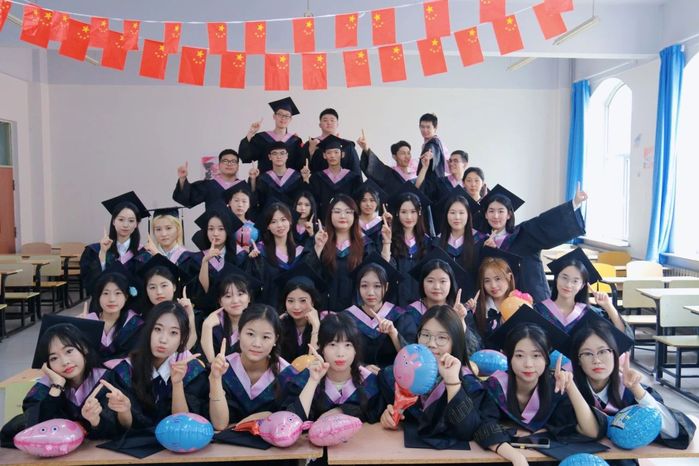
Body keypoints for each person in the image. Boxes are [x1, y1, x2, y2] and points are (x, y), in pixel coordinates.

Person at [475, 307, 607, 466]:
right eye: (519, 355)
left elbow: (591, 431)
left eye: (536, 355)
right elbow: (484, 426)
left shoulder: (555, 387)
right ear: (509, 358)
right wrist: (516, 457)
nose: (528, 364)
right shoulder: (495, 385)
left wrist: (570, 386)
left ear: (546, 359)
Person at [568, 312, 695, 455]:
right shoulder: (568, 390)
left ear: (615, 354)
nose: (596, 360)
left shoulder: (629, 391)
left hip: (622, 459)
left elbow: (673, 431)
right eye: (587, 353)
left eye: (603, 351)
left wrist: (637, 390)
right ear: (578, 360)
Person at [379, 306, 484, 447]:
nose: (431, 344)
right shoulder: (401, 377)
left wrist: (452, 383)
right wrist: (388, 417)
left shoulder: (468, 381)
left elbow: (467, 431)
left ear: (456, 342)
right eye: (425, 335)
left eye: (442, 337)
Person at [479, 183, 588, 302]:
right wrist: (487, 251)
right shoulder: (481, 241)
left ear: (509, 214)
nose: (496, 216)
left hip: (531, 296)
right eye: (491, 211)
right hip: (499, 300)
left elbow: (545, 223)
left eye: (501, 211)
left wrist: (575, 203)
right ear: (486, 215)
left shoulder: (523, 233)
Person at [18, 316, 122, 439]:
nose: (65, 362)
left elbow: (121, 429)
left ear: (84, 348)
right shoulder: (47, 386)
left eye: (69, 351)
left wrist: (96, 422)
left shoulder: (106, 380)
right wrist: (57, 386)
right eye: (54, 358)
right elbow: (34, 428)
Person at [110, 302, 208, 429]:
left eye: (173, 333)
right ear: (148, 331)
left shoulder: (191, 370)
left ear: (182, 339)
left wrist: (177, 384)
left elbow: (182, 425)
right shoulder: (126, 370)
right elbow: (125, 429)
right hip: (137, 439)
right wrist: (125, 411)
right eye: (157, 329)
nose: (163, 340)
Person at [281, 313, 384, 423]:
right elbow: (292, 422)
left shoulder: (371, 382)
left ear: (356, 349)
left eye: (347, 345)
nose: (340, 353)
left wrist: (342, 411)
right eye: (333, 344)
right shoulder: (305, 379)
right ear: (321, 347)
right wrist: (312, 382)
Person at [208, 304, 289, 429]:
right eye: (250, 334)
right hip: (225, 441)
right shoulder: (223, 368)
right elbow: (219, 424)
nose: (257, 344)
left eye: (266, 337)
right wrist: (215, 379)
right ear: (239, 333)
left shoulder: (288, 375)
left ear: (275, 340)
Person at [535, 248, 632, 338]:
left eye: (575, 281)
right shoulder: (540, 310)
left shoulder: (589, 313)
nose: (568, 285)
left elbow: (622, 336)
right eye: (564, 277)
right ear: (556, 278)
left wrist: (608, 306)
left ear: (582, 285)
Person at [345, 255, 416, 370]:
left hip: (393, 376)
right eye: (364, 286)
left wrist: (393, 333)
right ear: (358, 287)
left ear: (386, 287)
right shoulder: (346, 318)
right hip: (358, 375)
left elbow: (413, 359)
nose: (370, 292)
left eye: (377, 286)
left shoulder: (401, 317)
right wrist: (362, 368)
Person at [306, 195, 372, 312]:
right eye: (337, 211)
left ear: (355, 216)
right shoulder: (319, 240)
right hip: (324, 309)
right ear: (330, 215)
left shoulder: (365, 244)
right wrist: (318, 248)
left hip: (355, 311)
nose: (342, 216)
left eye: (348, 212)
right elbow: (309, 275)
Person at [80, 191, 152, 295]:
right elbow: (90, 285)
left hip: (132, 304)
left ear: (137, 224)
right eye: (121, 219)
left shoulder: (143, 254)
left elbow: (145, 287)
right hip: (104, 302)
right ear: (113, 221)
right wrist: (102, 256)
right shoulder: (94, 251)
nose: (125, 225)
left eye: (131, 221)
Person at [250, 203, 306, 308]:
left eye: (283, 220)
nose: (279, 225)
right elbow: (256, 284)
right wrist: (253, 261)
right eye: (273, 222)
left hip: (296, 308)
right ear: (268, 226)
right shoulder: (260, 251)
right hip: (270, 307)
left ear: (290, 221)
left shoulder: (300, 251)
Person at [384, 187, 433, 307]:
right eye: (404, 212)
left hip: (421, 302)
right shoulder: (390, 238)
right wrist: (387, 242)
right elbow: (386, 269)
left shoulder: (427, 242)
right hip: (395, 301)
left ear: (419, 213)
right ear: (397, 213)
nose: (409, 217)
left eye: (413, 212)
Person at [136, 254, 197, 349]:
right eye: (152, 287)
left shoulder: (185, 313)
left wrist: (190, 316)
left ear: (174, 287)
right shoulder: (138, 318)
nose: (159, 292)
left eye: (164, 285)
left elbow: (186, 348)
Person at [83, 266, 143, 362]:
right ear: (98, 297)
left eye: (117, 293)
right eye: (106, 293)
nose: (111, 299)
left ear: (126, 297)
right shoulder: (89, 321)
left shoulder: (135, 324)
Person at [200, 274, 257, 364]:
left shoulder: (258, 323)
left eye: (240, 294)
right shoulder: (213, 325)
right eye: (228, 296)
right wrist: (207, 327)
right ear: (220, 302)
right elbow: (206, 363)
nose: (235, 300)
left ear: (249, 298)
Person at [469, 247, 519, 345]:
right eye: (487, 281)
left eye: (497, 279)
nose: (493, 285)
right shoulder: (478, 308)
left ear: (509, 277)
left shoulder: (520, 304)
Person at [238, 97, 304, 172]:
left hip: (289, 180)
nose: (283, 118)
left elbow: (301, 165)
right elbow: (246, 157)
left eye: (287, 116)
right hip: (265, 179)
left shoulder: (295, 141)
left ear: (290, 119)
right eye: (280, 114)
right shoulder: (262, 138)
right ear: (274, 116)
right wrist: (251, 133)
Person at [276, 265, 324, 363]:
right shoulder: (279, 324)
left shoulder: (324, 324)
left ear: (313, 301)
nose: (296, 307)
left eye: (303, 300)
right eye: (290, 301)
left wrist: (316, 327)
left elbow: (315, 363)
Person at [308, 134, 363, 220]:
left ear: (342, 154)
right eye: (329, 153)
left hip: (346, 221)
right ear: (324, 155)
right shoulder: (317, 178)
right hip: (323, 222)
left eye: (336, 152)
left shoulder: (353, 178)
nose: (332, 156)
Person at [173, 149, 245, 210]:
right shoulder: (208, 185)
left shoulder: (244, 187)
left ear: (237, 166)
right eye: (225, 161)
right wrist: (182, 178)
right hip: (214, 222)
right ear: (219, 165)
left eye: (233, 161)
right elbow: (187, 199)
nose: (229, 164)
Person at [252, 141, 308, 211]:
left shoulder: (297, 177)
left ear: (287, 156)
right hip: (269, 215)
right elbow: (256, 200)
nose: (278, 157)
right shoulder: (263, 178)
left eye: (282, 153)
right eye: (274, 153)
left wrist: (306, 179)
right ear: (269, 157)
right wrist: (253, 179)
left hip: (292, 215)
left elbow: (304, 198)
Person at [304, 108, 361, 173]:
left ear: (337, 124)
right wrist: (310, 153)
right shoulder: (311, 143)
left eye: (332, 120)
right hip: (316, 179)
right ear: (320, 125)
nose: (329, 123)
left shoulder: (347, 145)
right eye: (325, 120)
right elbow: (301, 168)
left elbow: (355, 169)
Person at [354, 179, 387, 249]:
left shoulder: (383, 223)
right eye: (364, 200)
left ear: (377, 202)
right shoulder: (353, 222)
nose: (368, 204)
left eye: (372, 200)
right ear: (359, 202)